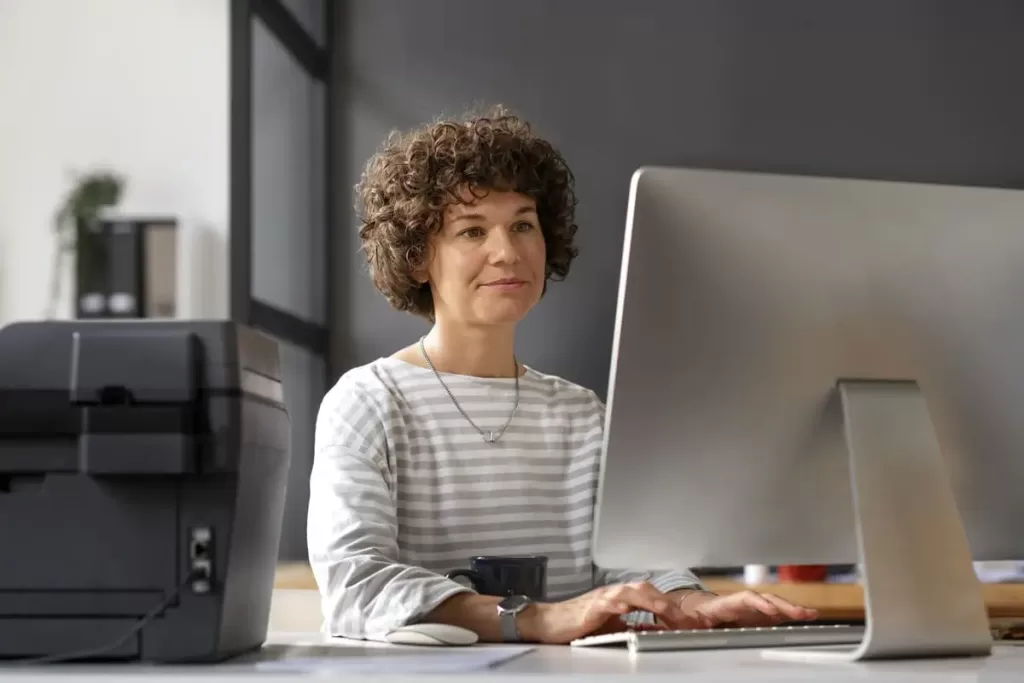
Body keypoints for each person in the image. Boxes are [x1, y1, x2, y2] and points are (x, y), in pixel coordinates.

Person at [306, 107, 818, 644]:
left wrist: (694, 605)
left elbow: (630, 567)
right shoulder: (368, 403)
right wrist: (539, 619)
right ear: (417, 259)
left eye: (523, 225)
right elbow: (356, 586)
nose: (506, 252)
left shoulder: (580, 413)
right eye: (472, 230)